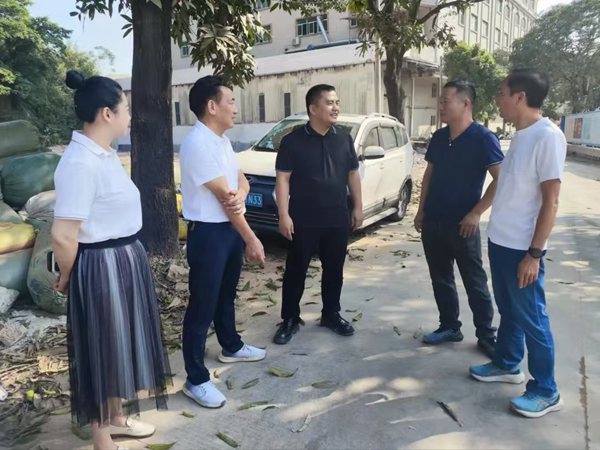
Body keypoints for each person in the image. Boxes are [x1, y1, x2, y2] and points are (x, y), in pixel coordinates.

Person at [52, 70, 171, 450]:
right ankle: (102, 437)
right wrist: (68, 275)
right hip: (100, 264)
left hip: (123, 258)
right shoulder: (79, 163)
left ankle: (117, 417)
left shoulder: (102, 155)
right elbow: (63, 234)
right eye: (126, 109)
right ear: (107, 113)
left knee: (121, 343)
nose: (130, 116)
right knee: (103, 348)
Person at [470, 70, 566, 418]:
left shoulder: (547, 137)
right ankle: (508, 363)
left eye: (501, 93)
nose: (498, 99)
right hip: (501, 241)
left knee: (532, 318)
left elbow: (551, 201)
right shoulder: (520, 135)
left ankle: (546, 390)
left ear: (520, 97)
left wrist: (534, 254)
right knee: (509, 309)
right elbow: (507, 187)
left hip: (523, 249)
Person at [179, 75, 266, 409]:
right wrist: (251, 237)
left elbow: (240, 182)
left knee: (226, 295)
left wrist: (241, 193)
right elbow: (223, 199)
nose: (235, 107)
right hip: (209, 234)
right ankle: (196, 379)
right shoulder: (197, 144)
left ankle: (231, 346)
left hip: (227, 231)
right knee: (202, 306)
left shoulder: (222, 142)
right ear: (212, 106)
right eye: (230, 100)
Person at [415, 80, 503, 358]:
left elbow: (500, 179)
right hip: (434, 221)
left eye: (446, 100)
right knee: (440, 277)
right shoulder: (440, 137)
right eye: (440, 101)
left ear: (466, 103)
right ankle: (450, 326)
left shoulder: (483, 138)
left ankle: (487, 335)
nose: (440, 105)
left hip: (463, 225)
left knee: (474, 281)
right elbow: (429, 174)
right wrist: (421, 210)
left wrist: (476, 213)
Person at [273, 84, 363, 345]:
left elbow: (353, 174)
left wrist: (358, 207)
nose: (336, 107)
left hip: (336, 216)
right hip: (303, 218)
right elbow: (283, 179)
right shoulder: (292, 141)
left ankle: (331, 314)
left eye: (337, 102)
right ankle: (290, 318)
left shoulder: (343, 139)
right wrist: (283, 214)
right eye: (329, 103)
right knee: (296, 270)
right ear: (313, 109)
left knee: (334, 269)